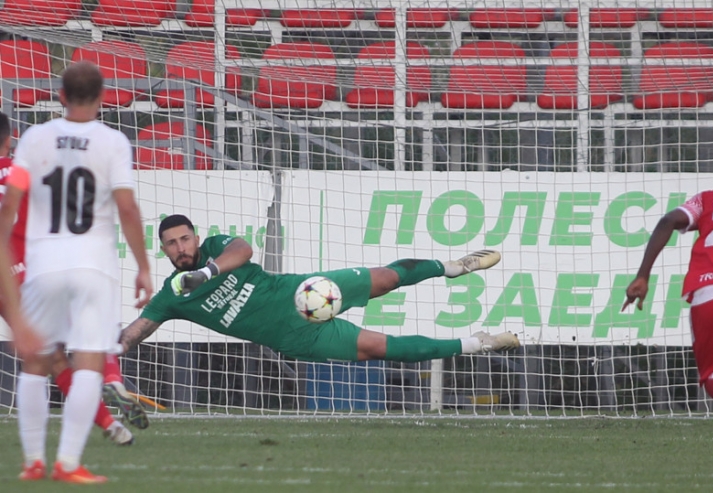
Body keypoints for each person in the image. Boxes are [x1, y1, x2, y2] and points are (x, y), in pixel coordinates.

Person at [117, 214, 520, 375]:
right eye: (172, 243)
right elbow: (136, 332)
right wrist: (103, 351)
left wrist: (208, 271)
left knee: (385, 279)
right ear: (164, 250)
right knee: (383, 347)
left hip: (304, 292)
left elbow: (244, 250)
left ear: (195, 237)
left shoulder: (214, 249)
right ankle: (478, 343)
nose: (180, 247)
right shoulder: (170, 295)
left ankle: (453, 267)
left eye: (185, 238)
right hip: (295, 337)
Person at [0, 61, 153, 484]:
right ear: (104, 98)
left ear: (60, 96)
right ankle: (68, 462)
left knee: (35, 363)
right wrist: (143, 267)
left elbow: (10, 206)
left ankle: (33, 461)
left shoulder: (35, 137)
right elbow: (126, 208)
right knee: (88, 362)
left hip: (42, 263)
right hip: (92, 264)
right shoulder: (113, 141)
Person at [623, 148, 713, 424]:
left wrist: (643, 275)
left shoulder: (708, 200)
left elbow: (668, 221)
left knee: (711, 370)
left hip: (708, 294)